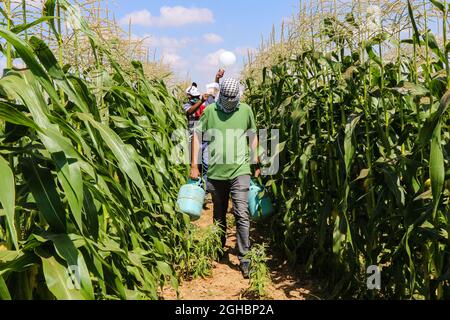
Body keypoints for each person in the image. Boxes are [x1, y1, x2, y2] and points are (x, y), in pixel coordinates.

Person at [190, 77, 261, 278]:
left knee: (241, 212)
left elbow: (253, 135)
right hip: (216, 172)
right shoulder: (211, 111)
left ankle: (244, 257)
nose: (230, 101)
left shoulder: (245, 110)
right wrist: (194, 164)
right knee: (219, 215)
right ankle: (218, 248)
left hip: (240, 169)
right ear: (222, 94)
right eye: (227, 97)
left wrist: (256, 161)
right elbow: (197, 134)